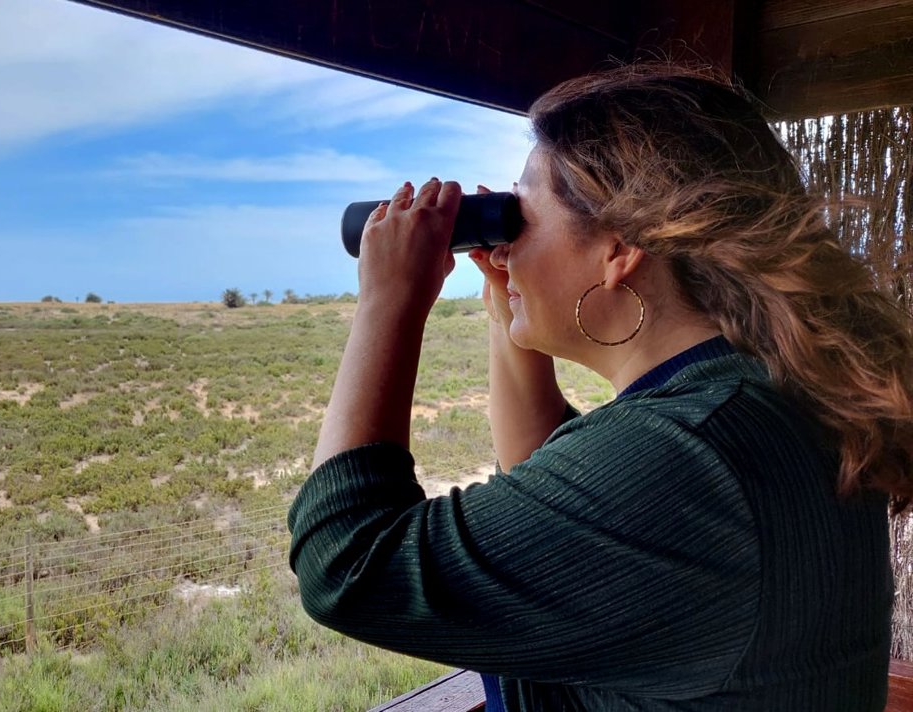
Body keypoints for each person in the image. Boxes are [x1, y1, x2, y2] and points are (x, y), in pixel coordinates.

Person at [287, 64, 913, 711]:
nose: (502, 247)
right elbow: (547, 481)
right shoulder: (756, 397)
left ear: (619, 248)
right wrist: (509, 309)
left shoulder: (690, 453)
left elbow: (347, 564)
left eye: (520, 216)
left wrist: (387, 299)